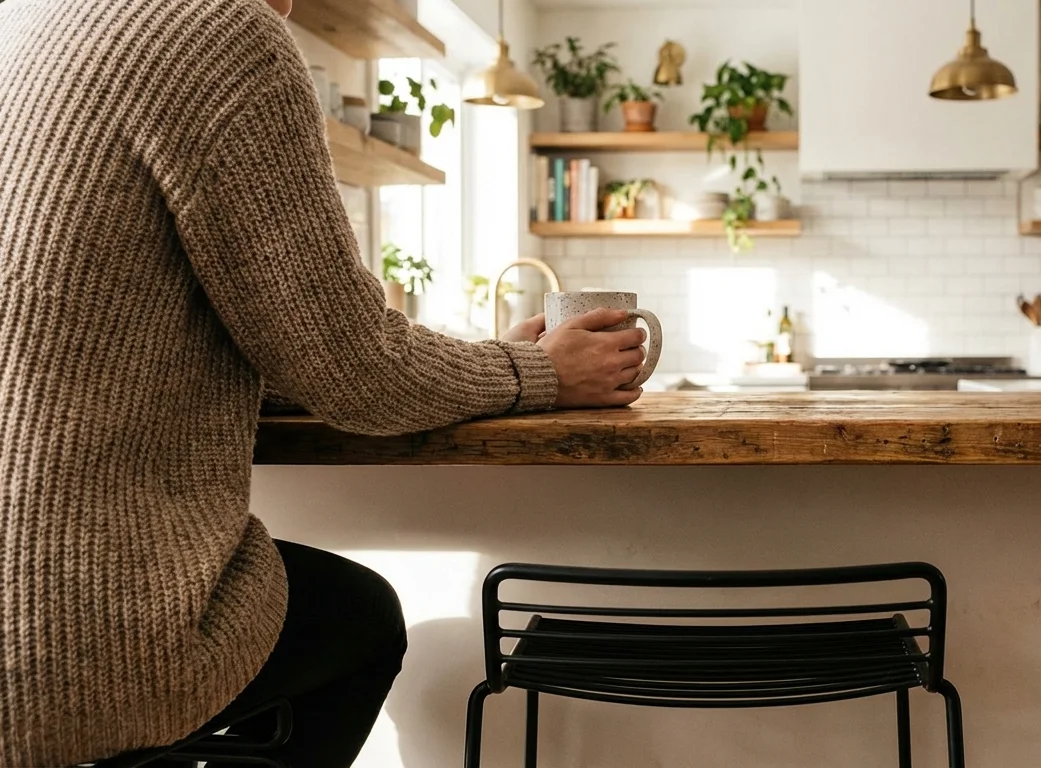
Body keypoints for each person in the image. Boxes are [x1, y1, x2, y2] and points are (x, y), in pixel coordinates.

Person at [0, 0, 646, 764]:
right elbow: (354, 371)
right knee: (362, 619)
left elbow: (236, 348)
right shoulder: (220, 27)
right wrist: (535, 372)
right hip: (69, 640)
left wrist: (485, 367)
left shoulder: (31, 21)